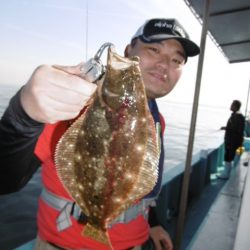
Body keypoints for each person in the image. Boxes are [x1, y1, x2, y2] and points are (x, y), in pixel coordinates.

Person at [0, 18, 200, 250]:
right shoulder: (75, 103)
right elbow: (4, 180)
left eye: (176, 60)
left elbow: (135, 183)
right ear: (128, 51)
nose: (165, 63)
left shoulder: (156, 120)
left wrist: (153, 223)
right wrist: (23, 114)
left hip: (137, 242)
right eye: (154, 49)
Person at [218, 100, 245, 180]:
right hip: (238, 143)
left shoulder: (236, 117)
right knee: (235, 158)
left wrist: (227, 129)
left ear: (235, 107)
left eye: (232, 105)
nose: (230, 106)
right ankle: (230, 174)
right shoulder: (239, 116)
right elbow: (235, 129)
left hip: (232, 142)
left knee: (228, 157)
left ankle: (226, 174)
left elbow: (235, 130)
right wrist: (226, 128)